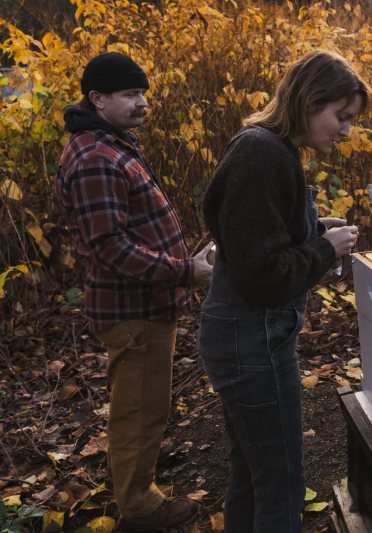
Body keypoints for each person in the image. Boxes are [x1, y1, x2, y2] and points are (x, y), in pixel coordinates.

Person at [197, 49, 372, 532]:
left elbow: (256, 236)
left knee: (253, 475)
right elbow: (263, 274)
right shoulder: (260, 153)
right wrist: (324, 250)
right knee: (282, 484)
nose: (345, 130)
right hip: (252, 340)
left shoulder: (272, 150)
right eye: (341, 116)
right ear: (309, 100)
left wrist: (313, 231)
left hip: (247, 337)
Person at [56, 52, 213, 529]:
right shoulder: (94, 158)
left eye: (143, 92)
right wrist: (186, 271)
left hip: (144, 305)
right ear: (97, 98)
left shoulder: (111, 144)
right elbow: (110, 248)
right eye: (130, 94)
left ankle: (134, 485)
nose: (142, 102)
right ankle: (140, 506)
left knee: (145, 405)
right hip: (133, 310)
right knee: (139, 411)